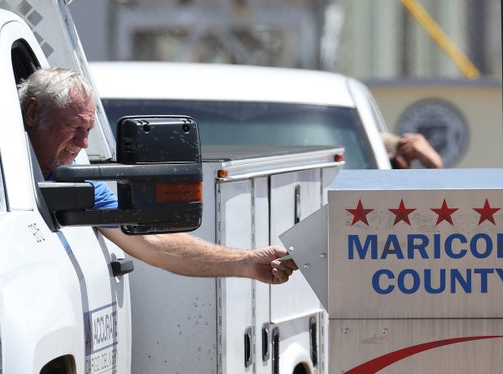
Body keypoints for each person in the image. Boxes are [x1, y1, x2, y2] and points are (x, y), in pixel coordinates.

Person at [19, 67, 296, 284]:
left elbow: (155, 243)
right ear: (32, 113)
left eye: (88, 130)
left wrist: (246, 262)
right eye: (73, 125)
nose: (83, 144)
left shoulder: (75, 183)